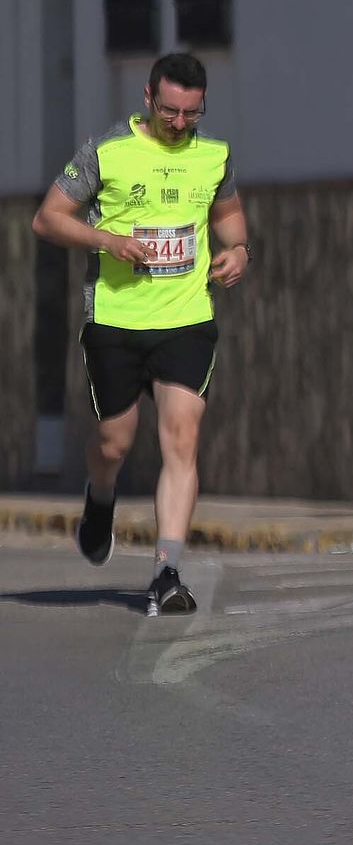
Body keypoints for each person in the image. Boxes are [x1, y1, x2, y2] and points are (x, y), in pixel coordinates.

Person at [32, 52, 251, 617]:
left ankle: (166, 573)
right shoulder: (106, 151)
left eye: (192, 114)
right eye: (171, 111)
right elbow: (48, 217)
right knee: (115, 444)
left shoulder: (215, 155)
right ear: (149, 99)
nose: (180, 124)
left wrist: (238, 250)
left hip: (185, 319)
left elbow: (228, 216)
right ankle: (100, 496)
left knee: (181, 441)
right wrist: (108, 242)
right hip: (115, 320)